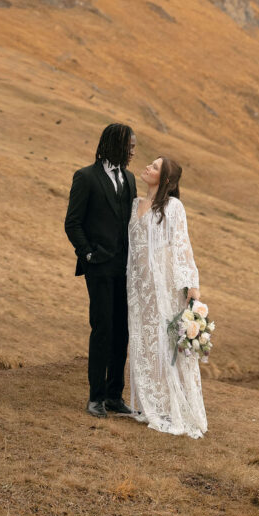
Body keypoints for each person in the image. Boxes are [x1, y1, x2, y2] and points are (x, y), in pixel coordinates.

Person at [127, 156, 208, 438]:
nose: (148, 167)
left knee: (166, 342)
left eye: (155, 167)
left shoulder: (173, 207)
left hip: (164, 286)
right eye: (150, 163)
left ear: (165, 179)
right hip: (139, 288)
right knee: (145, 340)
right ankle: (152, 403)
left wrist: (191, 286)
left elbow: (182, 245)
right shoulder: (135, 204)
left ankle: (172, 406)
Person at [64, 123, 137, 419]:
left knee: (123, 332)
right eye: (130, 145)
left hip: (125, 269)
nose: (133, 151)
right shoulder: (86, 177)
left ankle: (114, 396)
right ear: (116, 144)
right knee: (103, 329)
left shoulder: (130, 178)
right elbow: (72, 223)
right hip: (99, 268)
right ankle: (95, 398)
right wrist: (89, 253)